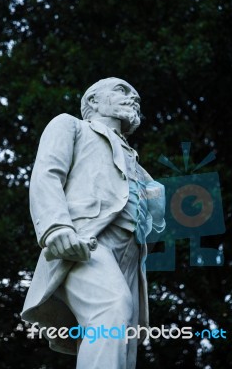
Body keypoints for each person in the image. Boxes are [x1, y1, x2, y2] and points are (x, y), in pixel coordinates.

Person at [21, 77, 166, 369]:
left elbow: (149, 229)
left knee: (123, 341)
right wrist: (56, 227)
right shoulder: (71, 126)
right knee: (111, 308)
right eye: (122, 90)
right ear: (93, 102)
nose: (133, 98)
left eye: (136, 96)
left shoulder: (139, 167)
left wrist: (157, 208)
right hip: (86, 242)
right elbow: (47, 174)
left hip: (130, 257)